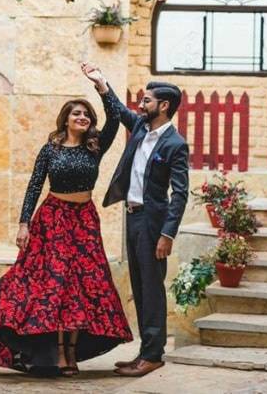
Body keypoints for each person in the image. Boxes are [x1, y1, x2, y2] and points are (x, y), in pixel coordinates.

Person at [0, 93, 132, 376]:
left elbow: (115, 117)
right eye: (76, 113)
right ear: (65, 119)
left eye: (86, 114)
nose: (82, 117)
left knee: (81, 285)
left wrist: (102, 87)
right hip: (53, 220)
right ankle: (60, 353)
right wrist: (23, 223)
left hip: (85, 221)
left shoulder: (95, 146)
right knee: (55, 284)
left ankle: (71, 352)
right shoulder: (50, 150)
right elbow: (34, 186)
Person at [81, 62, 189, 377]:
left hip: (154, 223)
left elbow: (180, 194)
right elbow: (116, 110)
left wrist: (167, 235)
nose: (141, 105)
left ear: (164, 106)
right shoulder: (141, 127)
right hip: (132, 218)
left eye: (147, 101)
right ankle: (145, 351)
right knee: (140, 287)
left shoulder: (176, 145)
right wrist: (101, 82)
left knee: (152, 288)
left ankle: (153, 354)